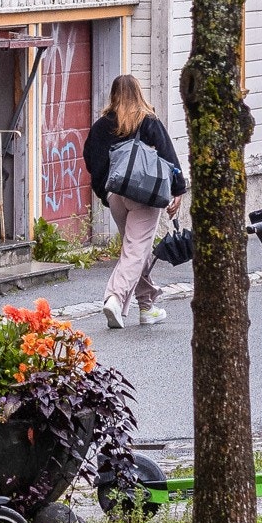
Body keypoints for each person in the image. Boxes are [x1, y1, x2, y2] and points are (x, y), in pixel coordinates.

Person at [82, 74, 186, 331]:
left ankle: (147, 306)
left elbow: (91, 162)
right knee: (135, 250)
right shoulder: (148, 121)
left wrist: (104, 194)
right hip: (146, 196)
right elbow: (169, 159)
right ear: (139, 93)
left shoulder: (101, 126)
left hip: (116, 194)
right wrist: (178, 191)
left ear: (114, 95)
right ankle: (114, 298)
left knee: (135, 249)